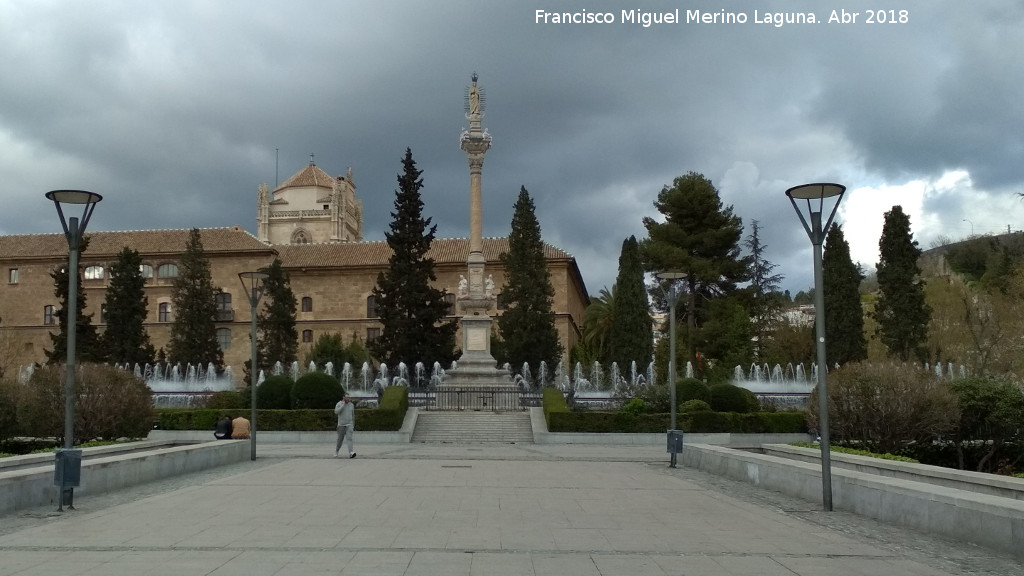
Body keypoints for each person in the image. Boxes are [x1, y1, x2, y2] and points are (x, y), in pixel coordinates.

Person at [334, 393, 356, 458]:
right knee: (340, 440)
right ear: (343, 397)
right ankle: (336, 451)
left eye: (349, 397)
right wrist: (342, 405)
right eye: (347, 397)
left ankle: (351, 452)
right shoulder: (339, 404)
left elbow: (353, 415)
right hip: (341, 425)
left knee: (349, 438)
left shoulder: (351, 405)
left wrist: (353, 424)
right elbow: (336, 412)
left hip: (349, 424)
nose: (348, 399)